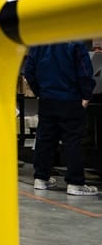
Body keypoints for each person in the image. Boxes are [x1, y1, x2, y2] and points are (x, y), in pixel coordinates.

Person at [22, 42, 98, 196]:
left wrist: (40, 91)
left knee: (45, 139)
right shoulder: (75, 43)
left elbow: (28, 71)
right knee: (72, 141)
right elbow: (84, 71)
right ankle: (75, 183)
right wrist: (86, 94)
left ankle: (41, 179)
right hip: (71, 98)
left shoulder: (39, 43)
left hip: (47, 99)